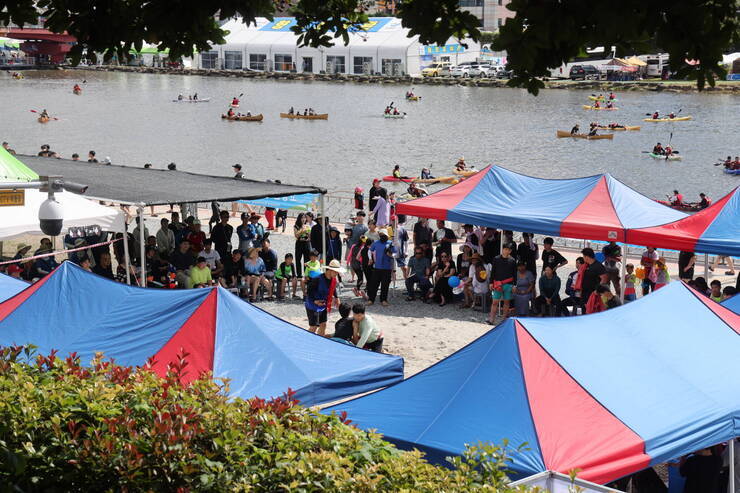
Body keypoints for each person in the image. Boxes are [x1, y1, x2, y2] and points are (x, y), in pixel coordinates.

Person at [305, 259, 343, 336]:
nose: (337, 273)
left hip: (323, 304)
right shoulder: (318, 279)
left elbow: (333, 288)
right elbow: (309, 291)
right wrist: (315, 301)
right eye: (335, 271)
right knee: (313, 327)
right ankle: (306, 340)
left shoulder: (333, 279)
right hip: (312, 305)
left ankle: (321, 341)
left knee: (323, 324)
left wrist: (337, 297)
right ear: (330, 270)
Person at [488, 242, 517, 323]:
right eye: (505, 249)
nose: (506, 251)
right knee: (495, 302)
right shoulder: (496, 259)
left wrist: (515, 285)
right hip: (497, 284)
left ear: (510, 251)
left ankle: (504, 320)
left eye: (508, 250)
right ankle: (491, 319)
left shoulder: (512, 261)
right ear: (502, 249)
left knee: (506, 302)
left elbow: (515, 274)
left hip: (509, 284)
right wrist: (491, 282)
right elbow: (493, 271)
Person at [367, 229, 396, 306]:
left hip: (387, 268)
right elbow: (369, 250)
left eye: (383, 235)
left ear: (387, 235)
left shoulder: (391, 244)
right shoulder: (376, 243)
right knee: (374, 284)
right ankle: (371, 299)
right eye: (380, 235)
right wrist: (370, 258)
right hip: (377, 267)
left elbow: (395, 254)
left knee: (385, 285)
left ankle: (383, 300)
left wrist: (391, 255)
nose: (382, 236)